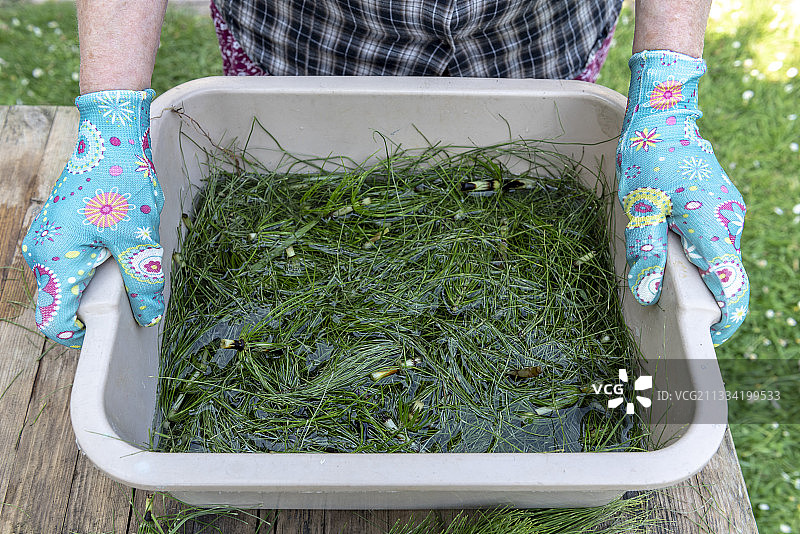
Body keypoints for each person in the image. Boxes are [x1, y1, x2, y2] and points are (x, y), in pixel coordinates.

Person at [21, 0, 749, 349]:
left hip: (536, 36)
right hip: (309, 35)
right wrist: (112, 123)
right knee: (290, 168)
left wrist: (667, 96)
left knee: (528, 179)